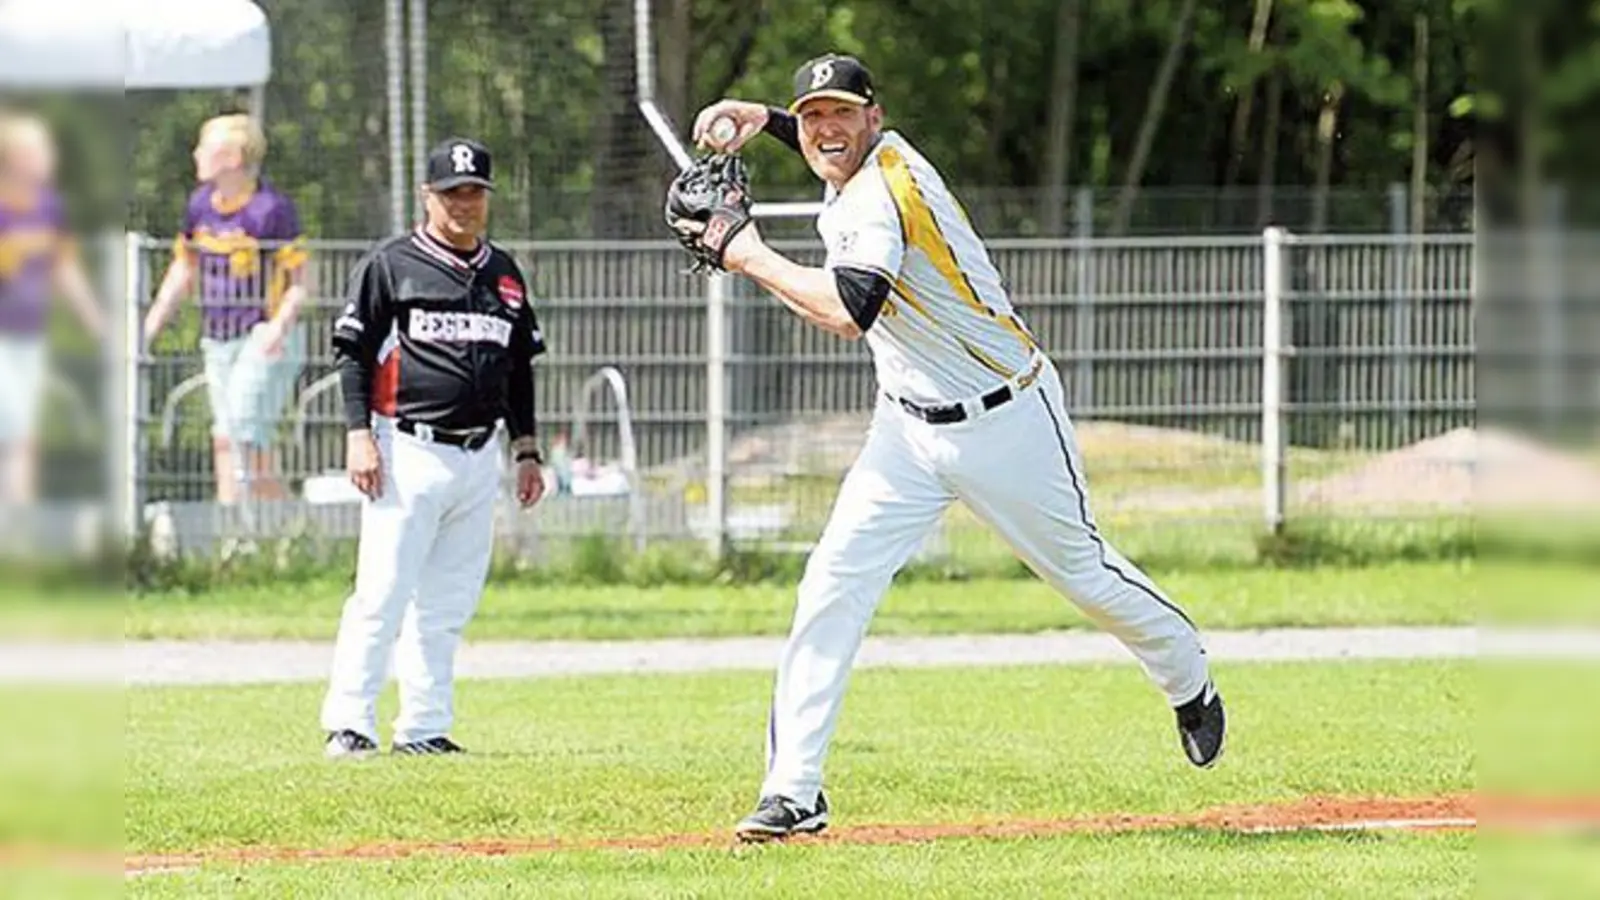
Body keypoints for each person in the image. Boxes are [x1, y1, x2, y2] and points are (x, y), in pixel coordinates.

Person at [688, 54, 1226, 841]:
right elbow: (826, 156)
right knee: (832, 584)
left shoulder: (884, 194)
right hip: (905, 428)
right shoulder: (862, 162)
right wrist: (760, 118)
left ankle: (1188, 673)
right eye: (811, 117)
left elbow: (848, 311)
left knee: (1082, 574)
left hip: (1005, 419)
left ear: (875, 117)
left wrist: (745, 252)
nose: (825, 129)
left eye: (841, 112)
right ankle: (794, 792)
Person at [319, 137, 548, 758]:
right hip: (407, 447)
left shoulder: (503, 271)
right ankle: (350, 720)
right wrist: (357, 433)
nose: (464, 204)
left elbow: (520, 366)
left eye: (474, 192)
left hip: (481, 453)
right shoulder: (391, 263)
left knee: (447, 601)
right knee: (383, 592)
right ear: (428, 196)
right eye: (452, 193)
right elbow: (352, 353)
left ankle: (423, 726)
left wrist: (527, 447)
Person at [142, 113, 308, 504]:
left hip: (263, 336)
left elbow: (302, 284)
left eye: (206, 146)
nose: (196, 153)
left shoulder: (271, 209)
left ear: (233, 157)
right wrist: (149, 327)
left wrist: (278, 328)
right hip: (217, 339)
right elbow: (185, 267)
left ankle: (234, 535)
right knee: (242, 445)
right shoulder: (200, 205)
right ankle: (286, 532)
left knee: (234, 436)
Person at [0, 110, 104, 509]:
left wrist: (95, 320)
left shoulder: (48, 207)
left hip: (26, 334)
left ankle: (17, 526)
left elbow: (64, 269)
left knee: (22, 433)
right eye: (38, 149)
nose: (48, 156)